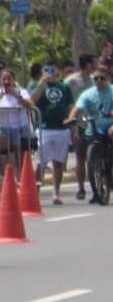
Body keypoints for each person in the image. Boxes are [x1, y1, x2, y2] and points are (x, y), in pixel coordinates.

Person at [68, 68, 113, 204]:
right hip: (92, 128)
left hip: (109, 126)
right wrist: (71, 119)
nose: (98, 81)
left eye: (102, 78)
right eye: (96, 78)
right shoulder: (88, 94)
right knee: (81, 154)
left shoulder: (111, 90)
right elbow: (77, 109)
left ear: (107, 79)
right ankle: (85, 189)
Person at [32, 64, 75, 204]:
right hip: (44, 129)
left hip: (62, 129)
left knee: (58, 162)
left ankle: (55, 193)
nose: (50, 72)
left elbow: (70, 107)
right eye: (46, 70)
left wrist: (73, 129)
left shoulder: (64, 87)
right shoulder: (37, 85)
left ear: (57, 71)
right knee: (41, 162)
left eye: (53, 69)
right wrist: (41, 84)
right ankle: (35, 193)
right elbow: (32, 101)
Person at [0, 68, 35, 181]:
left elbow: (30, 104)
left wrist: (17, 96)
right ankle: (6, 176)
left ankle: (23, 182)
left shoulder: (21, 91)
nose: (6, 81)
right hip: (4, 129)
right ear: (0, 81)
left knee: (20, 159)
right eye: (4, 79)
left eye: (9, 79)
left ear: (14, 80)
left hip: (21, 129)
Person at [66, 54, 95, 199]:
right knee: (80, 156)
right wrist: (71, 124)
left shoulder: (95, 80)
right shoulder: (71, 81)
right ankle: (81, 188)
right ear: (88, 65)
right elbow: (66, 101)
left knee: (97, 154)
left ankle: (100, 185)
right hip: (79, 124)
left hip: (95, 123)